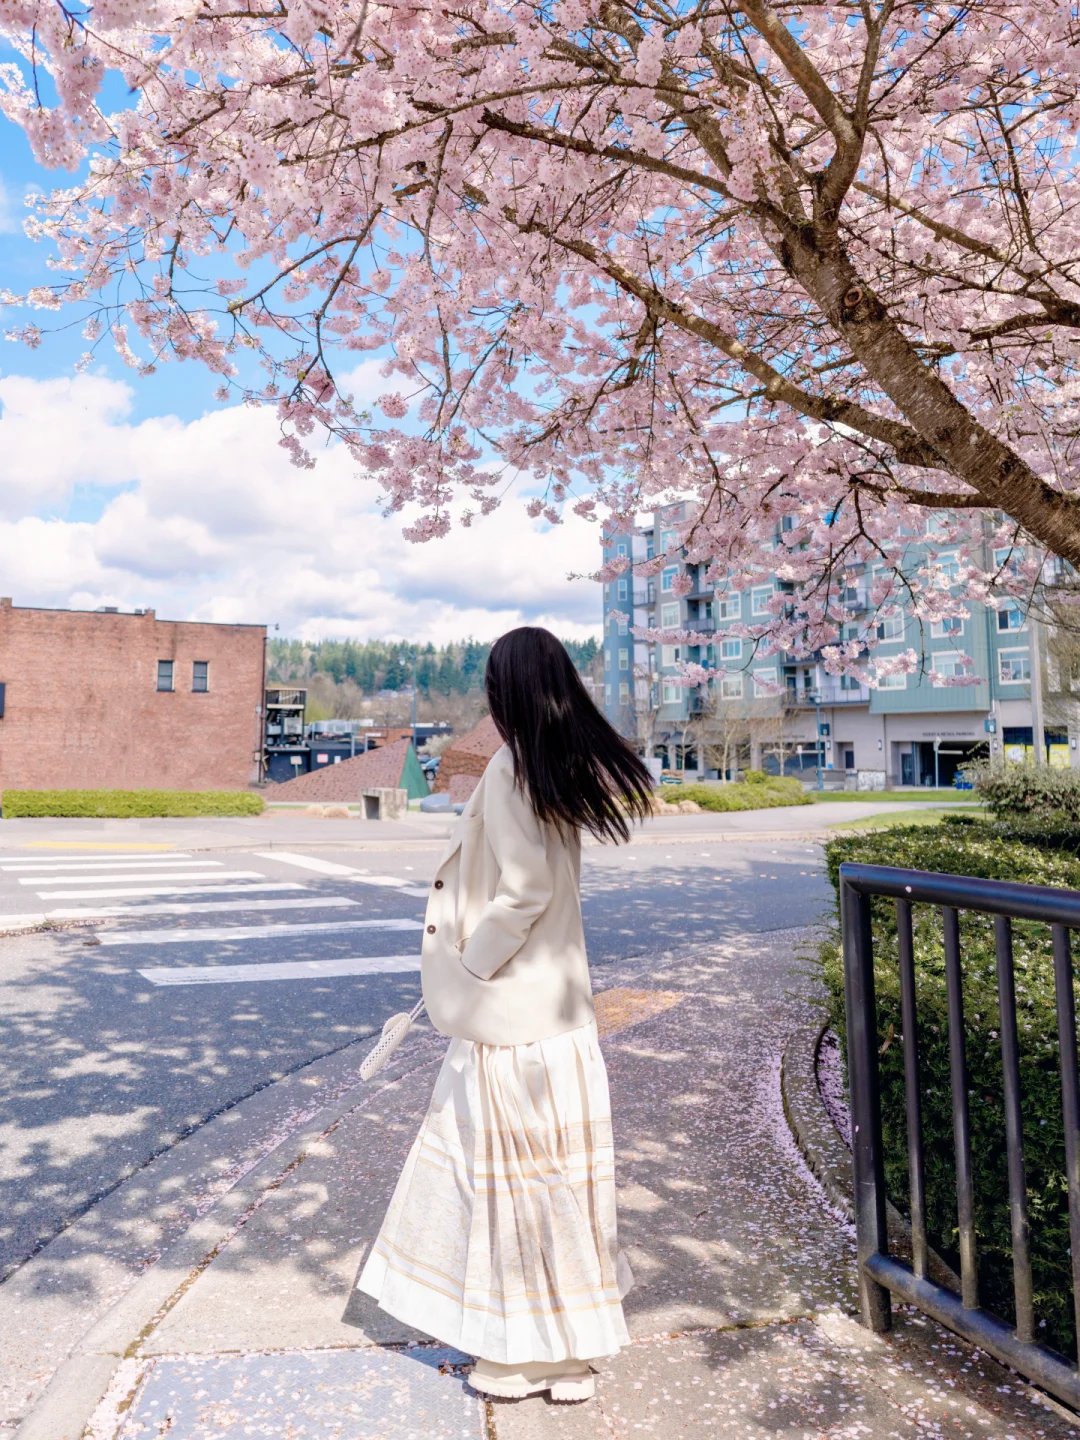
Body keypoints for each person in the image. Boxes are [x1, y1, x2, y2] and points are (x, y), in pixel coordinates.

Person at [355, 626, 654, 1402]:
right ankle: (569, 1352)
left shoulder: (513, 766)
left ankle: (525, 1353)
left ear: (505, 689)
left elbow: (524, 893)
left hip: (512, 1019)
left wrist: (465, 966)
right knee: (558, 1182)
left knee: (508, 1183)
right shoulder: (555, 763)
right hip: (557, 1016)